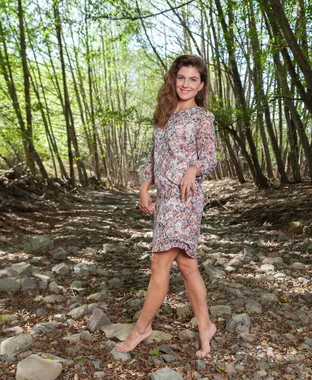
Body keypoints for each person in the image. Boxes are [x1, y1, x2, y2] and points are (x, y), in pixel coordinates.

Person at [116, 55, 218, 357]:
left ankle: (141, 329)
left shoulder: (202, 118)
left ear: (201, 86)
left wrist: (192, 169)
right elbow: (152, 157)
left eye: (193, 79)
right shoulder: (164, 115)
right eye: (182, 77)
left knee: (160, 263)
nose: (186, 84)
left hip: (185, 199)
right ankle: (206, 326)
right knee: (186, 265)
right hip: (165, 198)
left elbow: (210, 158)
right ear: (174, 79)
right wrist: (145, 188)